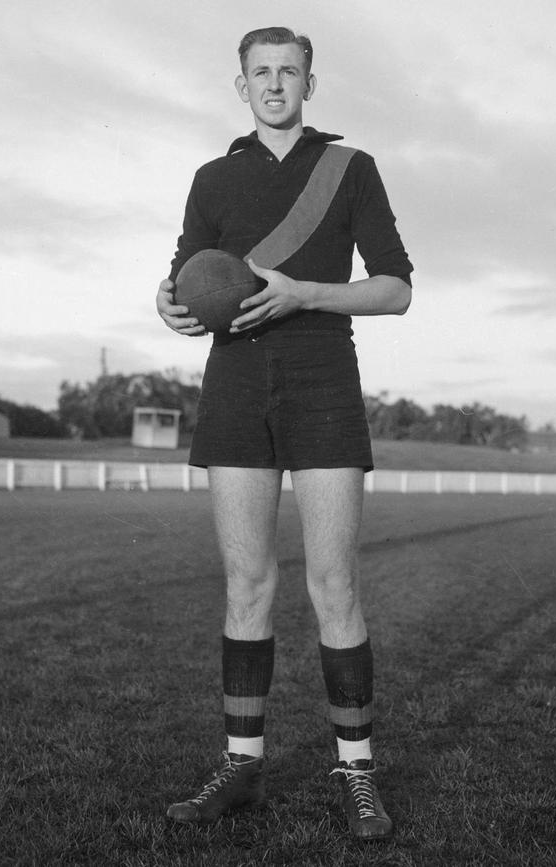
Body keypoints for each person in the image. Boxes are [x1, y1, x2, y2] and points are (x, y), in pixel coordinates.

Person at [156, 26, 412, 841]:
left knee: (334, 586)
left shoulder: (350, 169)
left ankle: (359, 772)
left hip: (322, 382)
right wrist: (166, 307)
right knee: (248, 585)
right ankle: (242, 763)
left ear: (309, 81)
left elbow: (396, 288)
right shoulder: (211, 177)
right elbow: (186, 281)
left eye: (288, 71)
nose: (274, 84)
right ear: (241, 86)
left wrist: (306, 292)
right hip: (234, 386)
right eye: (260, 73)